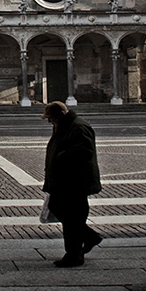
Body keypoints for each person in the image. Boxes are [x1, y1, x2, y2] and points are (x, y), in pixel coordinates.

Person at [41, 101, 102, 267]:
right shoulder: (65, 126)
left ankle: (74, 255)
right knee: (64, 213)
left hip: (75, 182)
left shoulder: (78, 127)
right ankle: (88, 239)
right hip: (65, 181)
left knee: (72, 218)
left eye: (51, 118)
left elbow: (85, 151)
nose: (49, 121)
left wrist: (61, 157)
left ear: (60, 114)